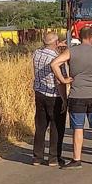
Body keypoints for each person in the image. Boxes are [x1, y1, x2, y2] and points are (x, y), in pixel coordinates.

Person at [51, 27, 92, 170]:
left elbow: (54, 63)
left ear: (79, 36)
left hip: (77, 95)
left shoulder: (72, 51)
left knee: (78, 128)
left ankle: (77, 159)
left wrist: (63, 80)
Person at [32, 32, 67, 167]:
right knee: (56, 126)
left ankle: (37, 157)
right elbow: (60, 81)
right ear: (56, 43)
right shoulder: (57, 59)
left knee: (40, 126)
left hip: (39, 93)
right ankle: (53, 158)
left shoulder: (37, 53)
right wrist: (64, 99)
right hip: (54, 95)